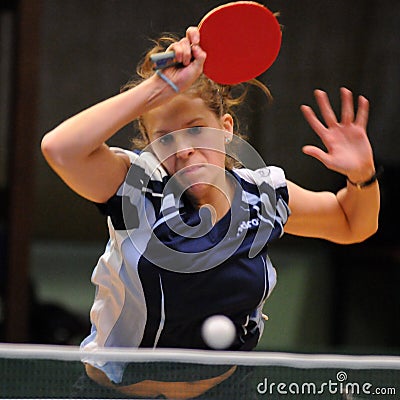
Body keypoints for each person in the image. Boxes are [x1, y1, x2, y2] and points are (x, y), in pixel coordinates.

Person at [41, 26, 380, 398]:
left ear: (226, 129)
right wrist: (156, 89)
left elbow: (352, 225)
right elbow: (60, 149)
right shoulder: (137, 189)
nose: (183, 148)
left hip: (226, 391)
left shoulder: (262, 194)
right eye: (165, 137)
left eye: (196, 128)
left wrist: (361, 175)